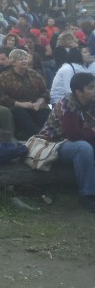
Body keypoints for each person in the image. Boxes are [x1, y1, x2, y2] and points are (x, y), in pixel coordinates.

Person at [37, 72, 95, 212]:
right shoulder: (68, 103)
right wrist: (92, 131)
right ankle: (88, 195)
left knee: (85, 146)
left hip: (77, 141)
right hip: (55, 144)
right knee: (83, 148)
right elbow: (74, 135)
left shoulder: (91, 102)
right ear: (79, 92)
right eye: (91, 88)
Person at [0, 48, 50, 138]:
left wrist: (38, 103)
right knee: (20, 114)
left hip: (35, 105)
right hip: (16, 106)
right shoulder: (5, 76)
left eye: (25, 58)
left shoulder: (34, 74)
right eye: (21, 59)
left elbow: (44, 92)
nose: (24, 61)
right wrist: (21, 104)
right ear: (13, 62)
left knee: (46, 113)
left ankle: (50, 137)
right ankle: (36, 138)